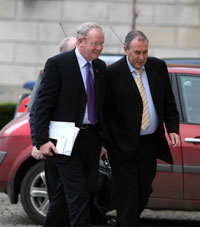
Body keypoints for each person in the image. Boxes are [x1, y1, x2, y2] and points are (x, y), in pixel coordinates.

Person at [33, 22, 107, 227]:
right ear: (81, 42)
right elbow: (42, 105)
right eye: (95, 44)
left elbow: (102, 107)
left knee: (81, 190)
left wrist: (104, 141)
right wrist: (41, 141)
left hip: (91, 138)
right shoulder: (59, 64)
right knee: (78, 193)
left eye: (102, 44)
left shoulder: (99, 66)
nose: (99, 48)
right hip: (64, 140)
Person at [105, 30, 180, 227]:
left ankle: (124, 222)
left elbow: (169, 103)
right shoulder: (112, 74)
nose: (141, 57)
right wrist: (107, 143)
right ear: (125, 50)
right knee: (128, 193)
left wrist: (172, 128)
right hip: (123, 147)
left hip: (149, 144)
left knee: (143, 191)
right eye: (137, 52)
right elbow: (105, 112)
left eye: (145, 52)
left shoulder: (158, 67)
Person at [30, 36, 77, 201]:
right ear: (61, 54)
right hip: (55, 145)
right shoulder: (52, 71)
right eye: (72, 52)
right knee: (57, 193)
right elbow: (37, 111)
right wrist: (37, 142)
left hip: (79, 146)